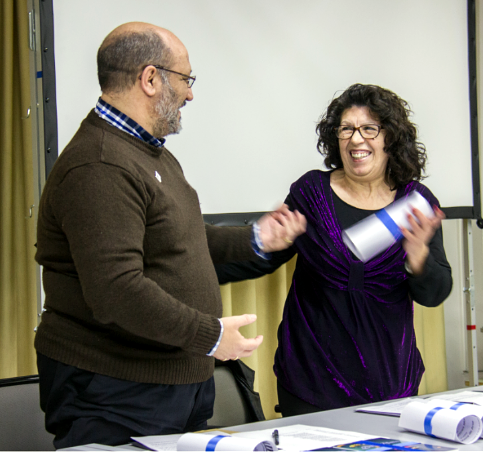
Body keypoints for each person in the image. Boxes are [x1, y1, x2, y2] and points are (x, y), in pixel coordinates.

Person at [34, 22, 306, 448]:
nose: (190, 93)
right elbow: (117, 290)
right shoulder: (100, 165)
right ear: (149, 78)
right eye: (186, 79)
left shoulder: (147, 152)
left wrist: (255, 239)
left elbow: (179, 239)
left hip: (165, 386)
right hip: (116, 392)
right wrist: (212, 336)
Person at [216, 83, 453, 417]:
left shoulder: (415, 202)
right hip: (311, 379)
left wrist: (418, 259)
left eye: (369, 129)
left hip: (391, 380)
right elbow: (263, 258)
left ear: (391, 138)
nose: (356, 139)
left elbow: (435, 292)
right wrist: (189, 265)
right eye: (346, 129)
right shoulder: (312, 192)